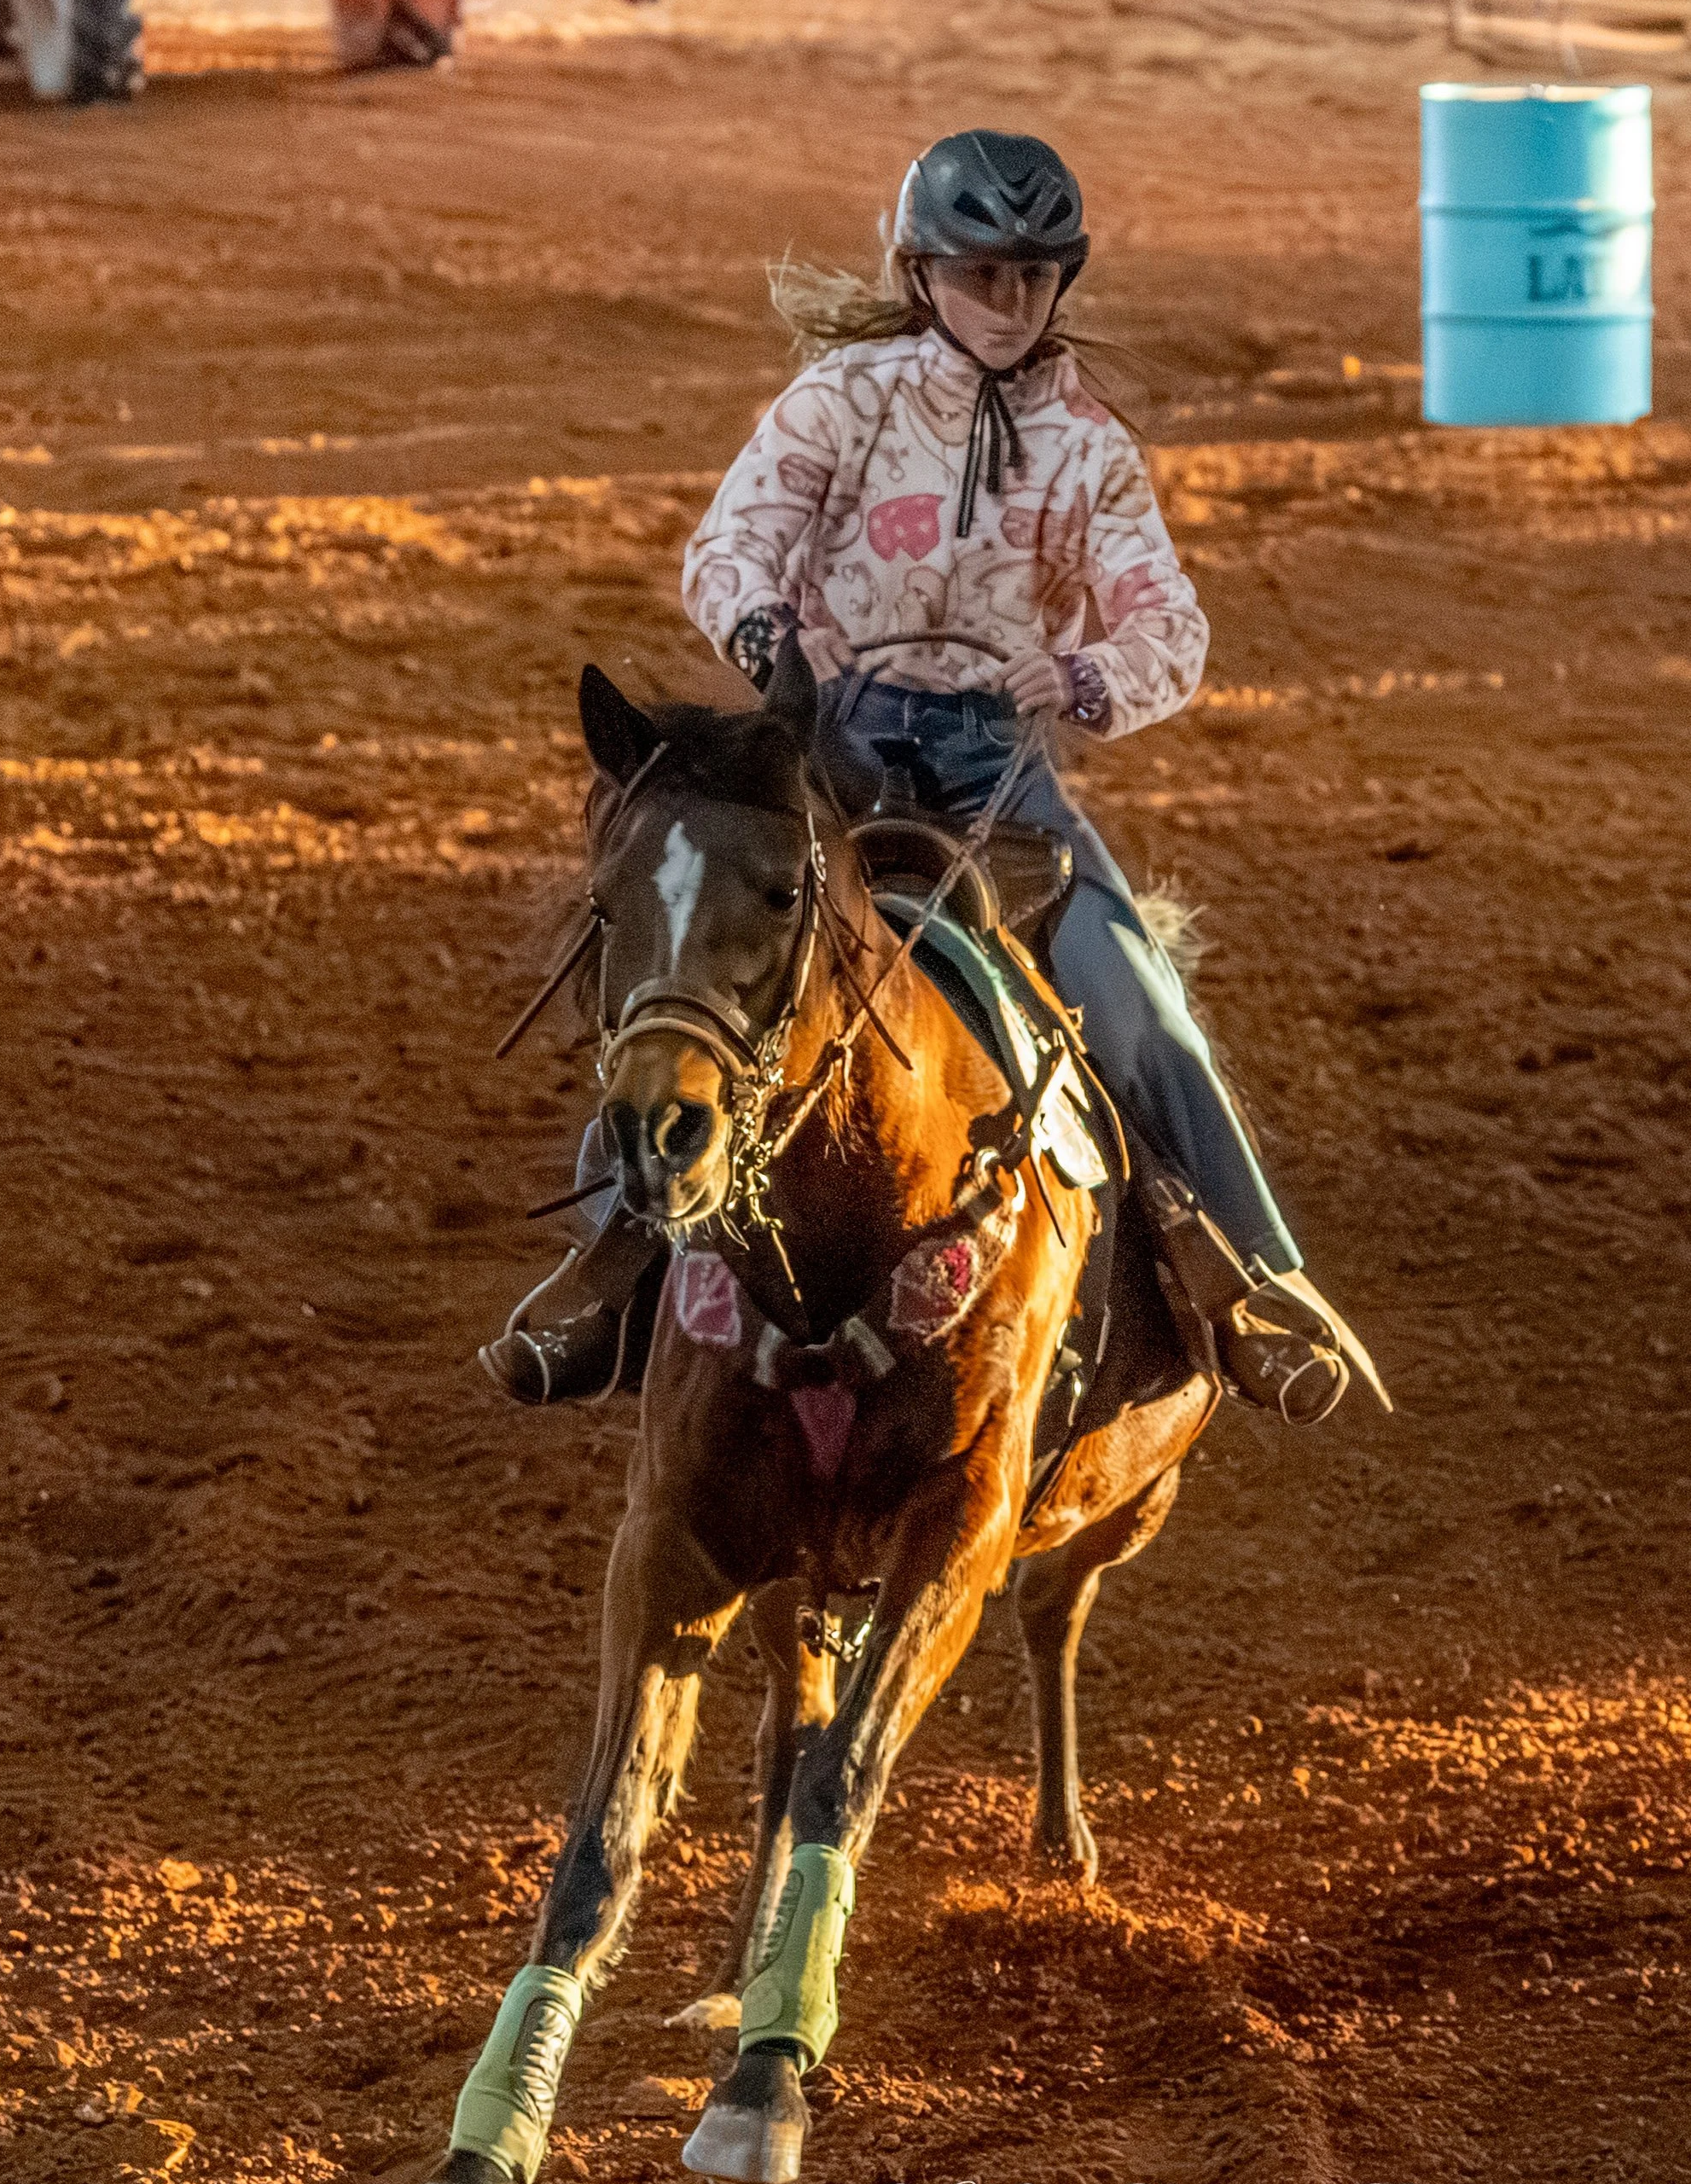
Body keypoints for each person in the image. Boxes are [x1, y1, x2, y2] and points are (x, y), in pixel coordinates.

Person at [482, 129, 1384, 1426]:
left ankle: (1257, 1286)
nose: (1009, 305)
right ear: (923, 276)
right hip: (828, 741)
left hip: (997, 766)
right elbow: (730, 547)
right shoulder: (842, 400)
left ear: (1060, 283)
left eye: (1033, 278)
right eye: (982, 276)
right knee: (690, 966)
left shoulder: (1091, 449)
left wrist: (1082, 681)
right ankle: (610, 1268)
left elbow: (1168, 630)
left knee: (1136, 1009)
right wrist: (771, 641)